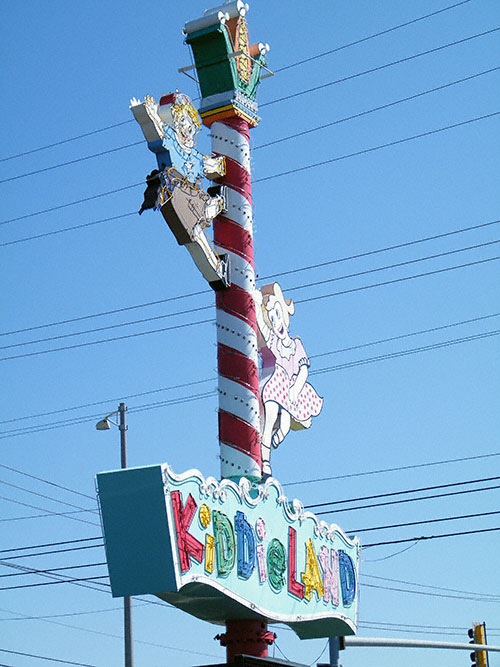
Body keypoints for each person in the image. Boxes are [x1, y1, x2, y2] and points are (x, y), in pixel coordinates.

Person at [130, 92, 229, 289]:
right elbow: (158, 132)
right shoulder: (172, 144)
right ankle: (216, 265)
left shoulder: (194, 154)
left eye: (191, 124)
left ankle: (213, 208)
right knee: (195, 234)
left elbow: (210, 166)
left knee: (197, 233)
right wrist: (147, 113)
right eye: (181, 121)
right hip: (178, 191)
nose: (187, 128)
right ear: (174, 121)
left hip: (192, 193)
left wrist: (222, 164)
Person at [254, 283, 323, 479]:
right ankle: (264, 462)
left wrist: (295, 390)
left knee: (284, 426)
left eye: (278, 314)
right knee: (267, 425)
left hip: (289, 390)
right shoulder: (272, 343)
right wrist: (257, 306)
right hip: (274, 385)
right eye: (272, 318)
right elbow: (263, 331)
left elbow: (303, 370)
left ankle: (274, 442)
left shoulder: (295, 344)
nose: (277, 322)